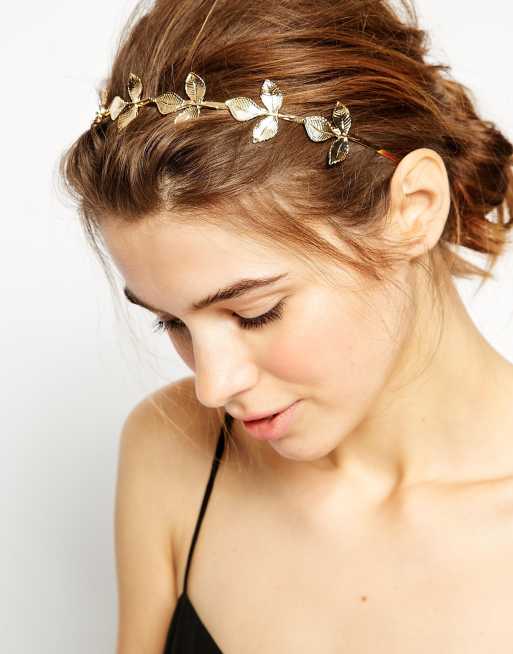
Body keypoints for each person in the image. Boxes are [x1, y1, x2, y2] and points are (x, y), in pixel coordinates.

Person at [59, 0, 513, 651]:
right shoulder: (172, 456)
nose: (213, 387)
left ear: (413, 210)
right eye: (171, 323)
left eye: (255, 312)